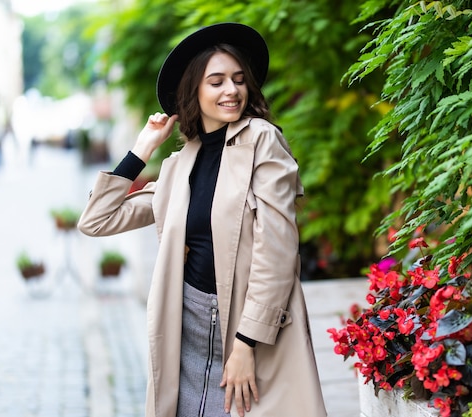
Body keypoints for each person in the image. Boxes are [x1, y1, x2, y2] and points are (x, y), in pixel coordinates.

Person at [78, 23, 327, 417]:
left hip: (249, 326)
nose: (232, 90)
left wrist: (246, 344)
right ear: (193, 90)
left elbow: (278, 249)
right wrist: (142, 149)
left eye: (239, 80)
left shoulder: (261, 140)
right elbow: (97, 220)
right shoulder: (180, 164)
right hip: (187, 323)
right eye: (217, 81)